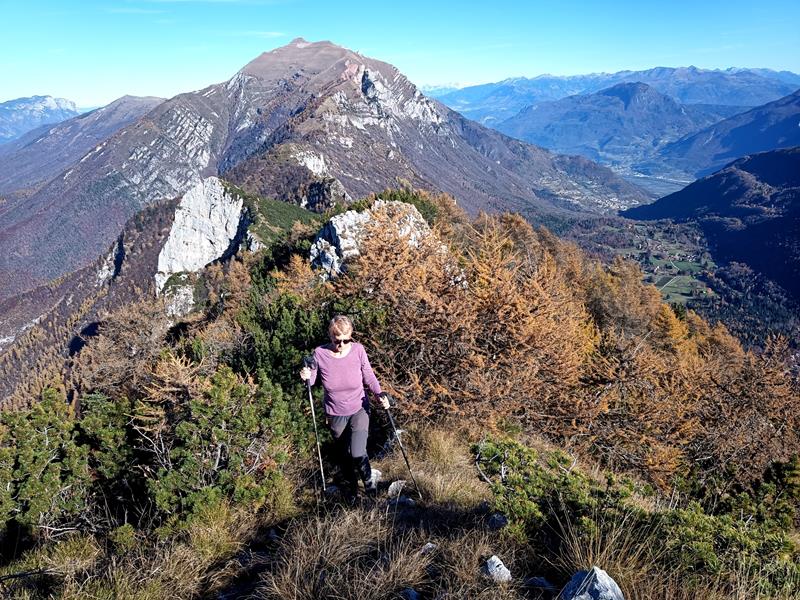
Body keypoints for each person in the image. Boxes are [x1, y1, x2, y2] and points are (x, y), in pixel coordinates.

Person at [300, 315, 390, 498]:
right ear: (330, 336)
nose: (341, 345)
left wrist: (380, 394)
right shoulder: (320, 353)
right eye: (337, 340)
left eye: (345, 340)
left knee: (357, 451)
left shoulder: (358, 350)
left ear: (351, 336)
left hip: (359, 408)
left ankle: (369, 485)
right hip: (335, 413)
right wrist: (305, 376)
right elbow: (312, 382)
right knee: (344, 455)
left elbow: (369, 376)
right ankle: (352, 492)